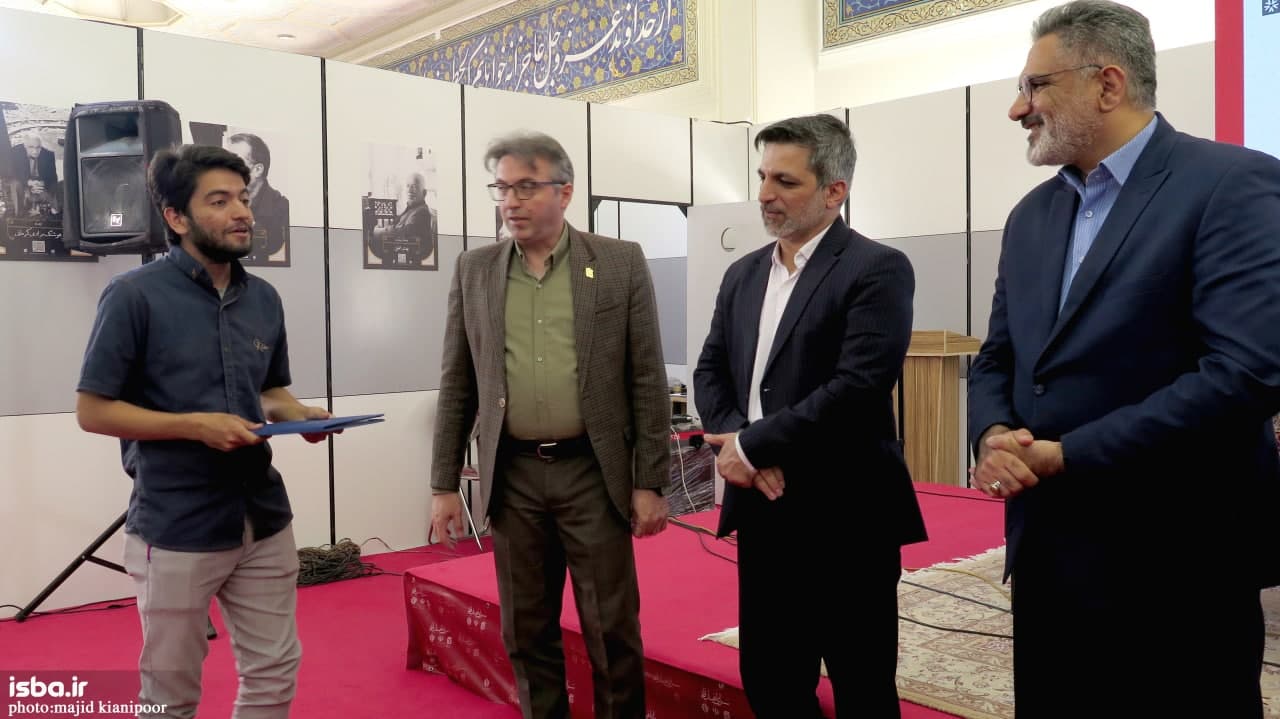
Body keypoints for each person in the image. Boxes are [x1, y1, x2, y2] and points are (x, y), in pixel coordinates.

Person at [967, 2, 1280, 716]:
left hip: (1180, 562)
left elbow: (1246, 372)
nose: (1018, 108)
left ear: (1107, 84)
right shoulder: (1031, 216)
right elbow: (1000, 356)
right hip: (1048, 555)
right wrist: (992, 435)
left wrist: (1068, 454)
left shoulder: (1232, 184)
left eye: (1036, 86)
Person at [75, 144, 333, 719]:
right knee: (169, 697)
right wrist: (194, 426)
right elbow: (93, 411)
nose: (241, 212)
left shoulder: (263, 298)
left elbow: (270, 391)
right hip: (176, 525)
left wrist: (298, 414)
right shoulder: (133, 296)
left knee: (273, 674)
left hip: (263, 518)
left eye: (242, 198)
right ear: (176, 217)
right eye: (219, 201)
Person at [430, 130, 670, 719]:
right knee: (526, 629)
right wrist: (442, 484)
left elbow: (646, 377)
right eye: (501, 188)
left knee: (612, 629)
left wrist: (650, 481)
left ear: (564, 192)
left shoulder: (618, 263)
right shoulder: (476, 269)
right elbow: (458, 382)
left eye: (526, 187)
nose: (510, 201)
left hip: (593, 473)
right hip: (514, 478)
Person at [693, 113, 925, 718]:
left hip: (846, 513)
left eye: (786, 181)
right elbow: (710, 371)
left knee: (861, 683)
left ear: (834, 190)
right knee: (772, 679)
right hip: (763, 508)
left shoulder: (877, 268)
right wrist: (743, 447)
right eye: (763, 177)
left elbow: (857, 388)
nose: (765, 194)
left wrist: (752, 447)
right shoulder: (743, 274)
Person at [225, 132, 290, 263]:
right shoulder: (222, 201)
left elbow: (273, 245)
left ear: (258, 170)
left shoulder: (281, 206)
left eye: (235, 162)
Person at [367, 171, 437, 266]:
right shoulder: (411, 208)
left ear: (424, 193)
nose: (409, 191)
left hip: (409, 255)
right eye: (408, 186)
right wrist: (383, 227)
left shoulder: (422, 212)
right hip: (399, 246)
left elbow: (404, 231)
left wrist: (379, 231)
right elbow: (396, 224)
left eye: (414, 187)